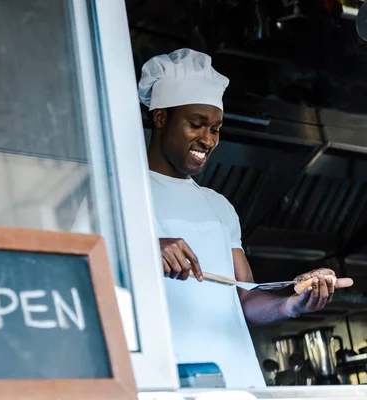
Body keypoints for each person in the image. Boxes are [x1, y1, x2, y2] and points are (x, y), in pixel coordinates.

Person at [137, 48, 354, 388]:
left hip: (237, 382)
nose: (208, 139)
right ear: (161, 117)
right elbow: (82, 274)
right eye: (196, 124)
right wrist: (142, 250)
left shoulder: (219, 206)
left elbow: (247, 297)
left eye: (216, 128)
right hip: (163, 382)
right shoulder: (120, 191)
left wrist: (292, 305)